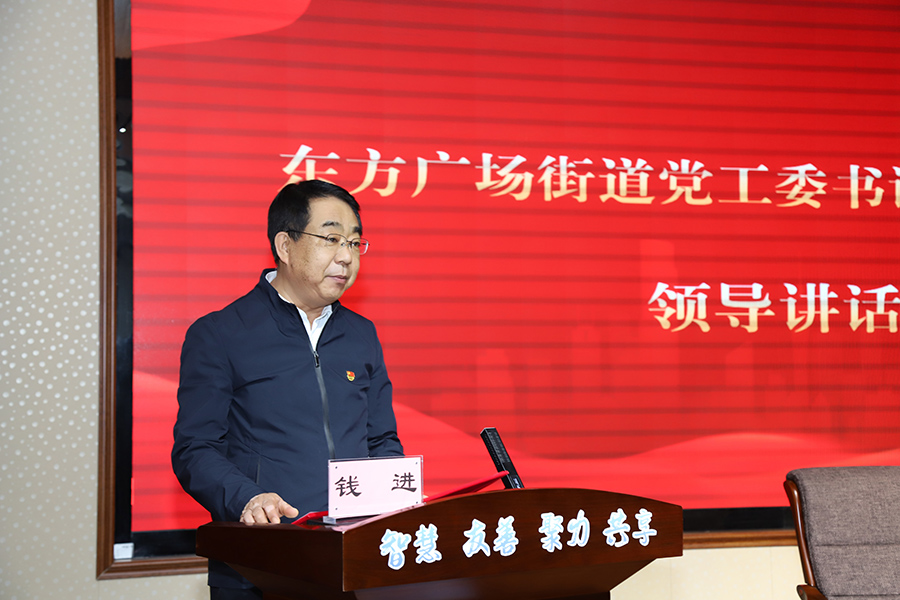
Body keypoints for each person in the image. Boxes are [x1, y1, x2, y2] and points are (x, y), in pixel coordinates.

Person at [172, 180, 404, 599]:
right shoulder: (221, 333)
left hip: (350, 562)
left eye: (354, 243)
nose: (346, 256)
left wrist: (394, 492)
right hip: (257, 565)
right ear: (285, 245)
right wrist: (247, 498)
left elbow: (381, 439)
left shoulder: (361, 335)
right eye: (331, 239)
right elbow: (195, 448)